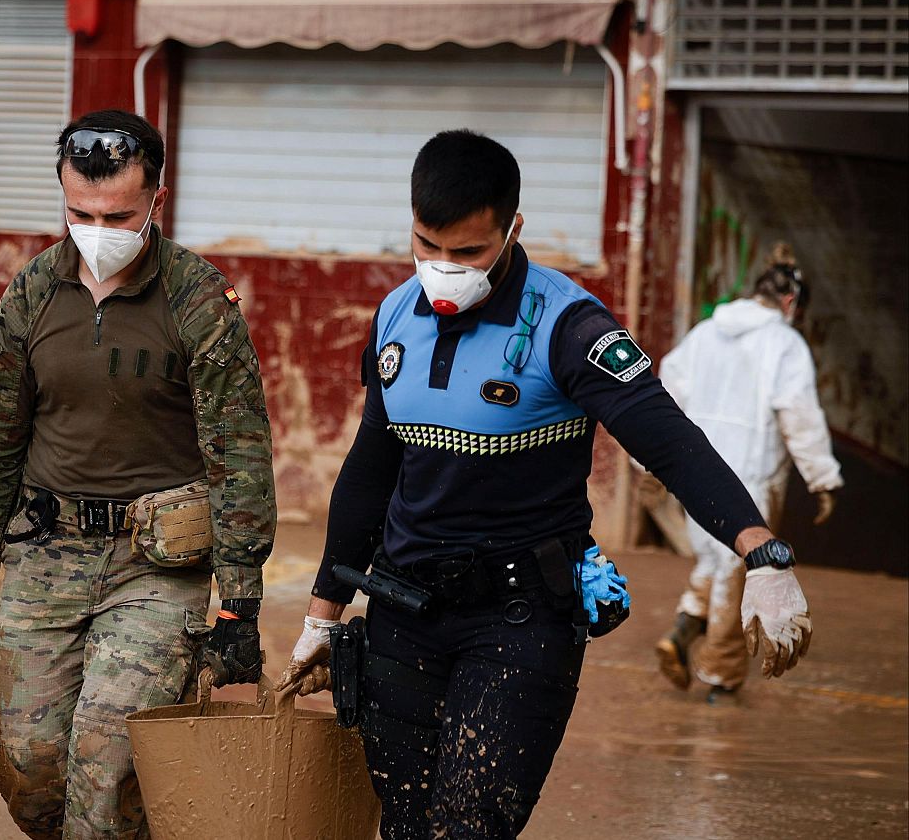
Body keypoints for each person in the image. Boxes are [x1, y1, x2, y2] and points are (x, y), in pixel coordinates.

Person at [280, 129, 815, 839]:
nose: (443, 269)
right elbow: (369, 473)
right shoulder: (392, 317)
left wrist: (761, 551)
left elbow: (672, 442)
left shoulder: (571, 328)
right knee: (406, 824)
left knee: (470, 827)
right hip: (401, 615)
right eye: (426, 245)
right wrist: (323, 616)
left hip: (519, 619)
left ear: (512, 230)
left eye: (467, 252)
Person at [0, 109, 276, 840]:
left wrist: (239, 603)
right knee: (30, 764)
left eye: (117, 213)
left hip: (154, 563)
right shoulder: (30, 293)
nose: (97, 228)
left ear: (157, 197)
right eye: (79, 211)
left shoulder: (199, 301)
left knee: (108, 757)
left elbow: (238, 451)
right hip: (44, 550)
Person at [653, 246, 841, 702]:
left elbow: (663, 394)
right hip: (750, 479)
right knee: (742, 574)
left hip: (696, 475)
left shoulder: (705, 333)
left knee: (717, 563)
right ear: (791, 303)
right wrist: (823, 477)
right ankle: (721, 677)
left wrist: (651, 464)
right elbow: (798, 414)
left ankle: (681, 632)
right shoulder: (786, 344)